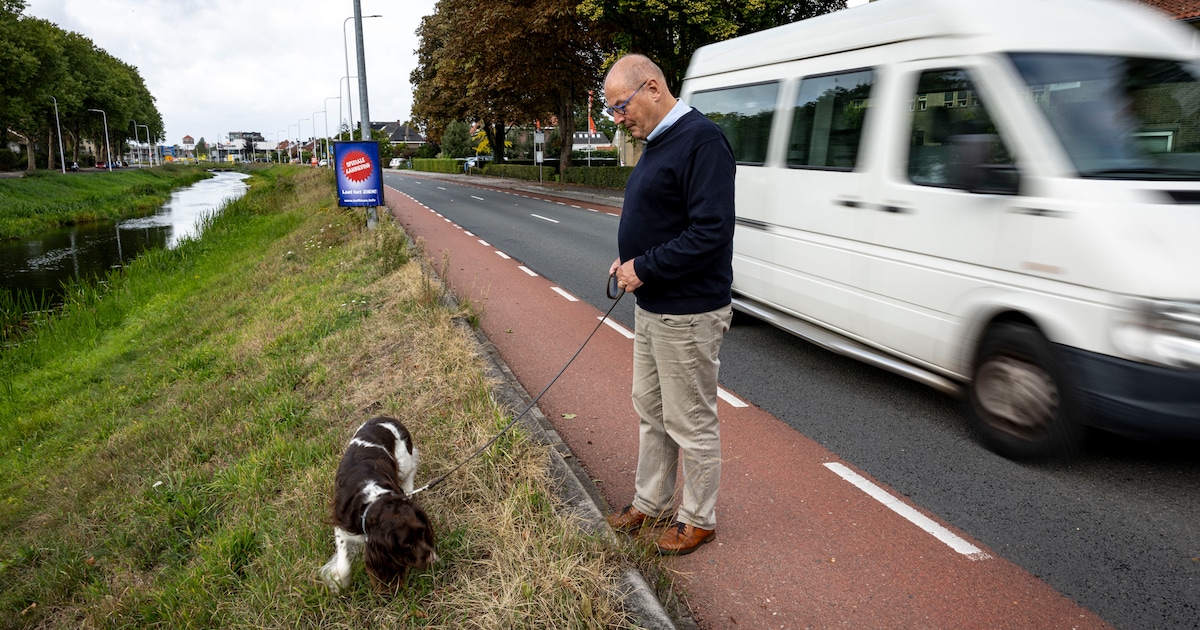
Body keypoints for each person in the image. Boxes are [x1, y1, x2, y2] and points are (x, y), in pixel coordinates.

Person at [603, 54, 736, 556]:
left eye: (621, 106)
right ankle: (650, 502)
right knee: (652, 412)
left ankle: (699, 519)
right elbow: (665, 218)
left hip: (689, 310)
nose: (618, 118)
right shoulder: (657, 143)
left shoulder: (702, 141)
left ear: (653, 87)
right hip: (654, 306)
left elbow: (710, 232)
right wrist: (627, 259)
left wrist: (646, 266)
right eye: (613, 109)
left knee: (690, 419)